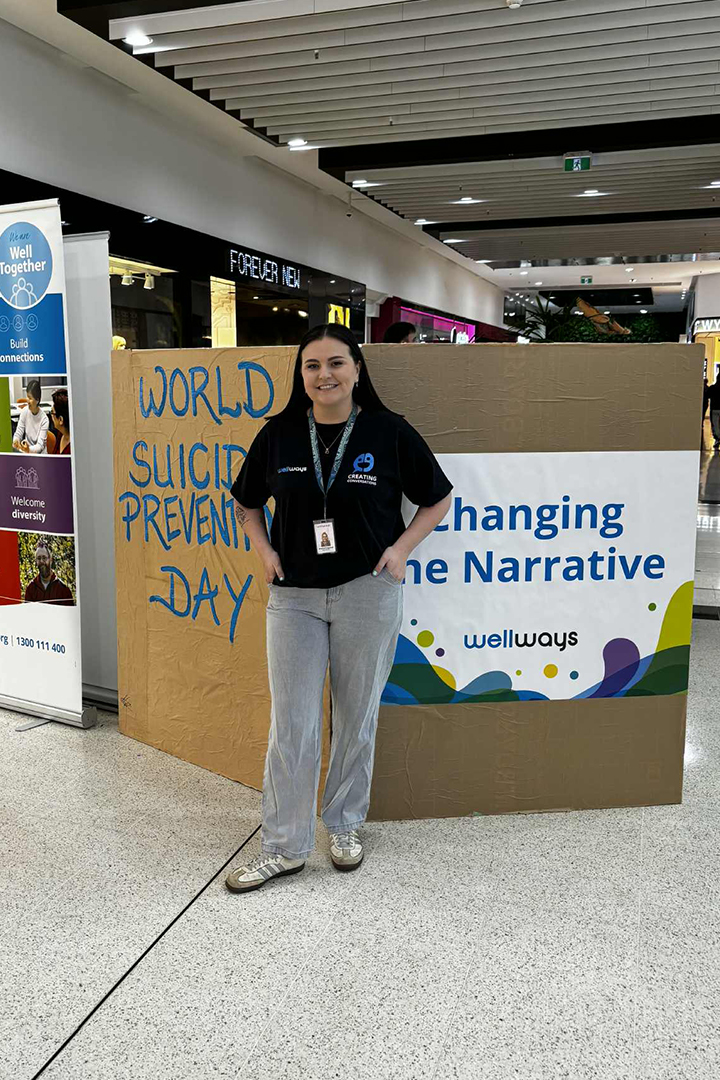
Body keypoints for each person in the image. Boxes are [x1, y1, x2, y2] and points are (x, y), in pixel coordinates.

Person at [226, 323, 452, 894]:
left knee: (356, 718)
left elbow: (439, 497)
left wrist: (402, 550)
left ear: (356, 370)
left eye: (335, 364)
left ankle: (345, 826)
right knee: (293, 725)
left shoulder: (388, 431)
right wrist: (265, 551)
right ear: (300, 376)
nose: (323, 375)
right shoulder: (278, 434)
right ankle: (284, 846)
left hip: (366, 592)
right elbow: (247, 502)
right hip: (294, 597)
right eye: (311, 366)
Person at [24, 540, 74, 605]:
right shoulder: (31, 589)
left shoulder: (63, 590)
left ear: (50, 560)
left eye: (44, 558)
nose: (41, 561)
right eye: (39, 558)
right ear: (36, 561)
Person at [13, 379, 49, 455]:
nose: (27, 401)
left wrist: (28, 449)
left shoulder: (44, 419)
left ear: (37, 400)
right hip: (27, 452)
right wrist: (16, 440)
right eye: (27, 397)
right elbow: (18, 433)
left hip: (40, 455)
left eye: (30, 398)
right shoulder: (24, 412)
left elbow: (40, 446)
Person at [48, 389, 71, 455]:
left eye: (52, 412)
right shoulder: (61, 434)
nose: (51, 416)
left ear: (61, 420)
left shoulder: (72, 448)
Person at [709, 379, 720, 449]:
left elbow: (707, 395)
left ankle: (717, 438)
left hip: (714, 408)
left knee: (715, 424)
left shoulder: (712, 388)